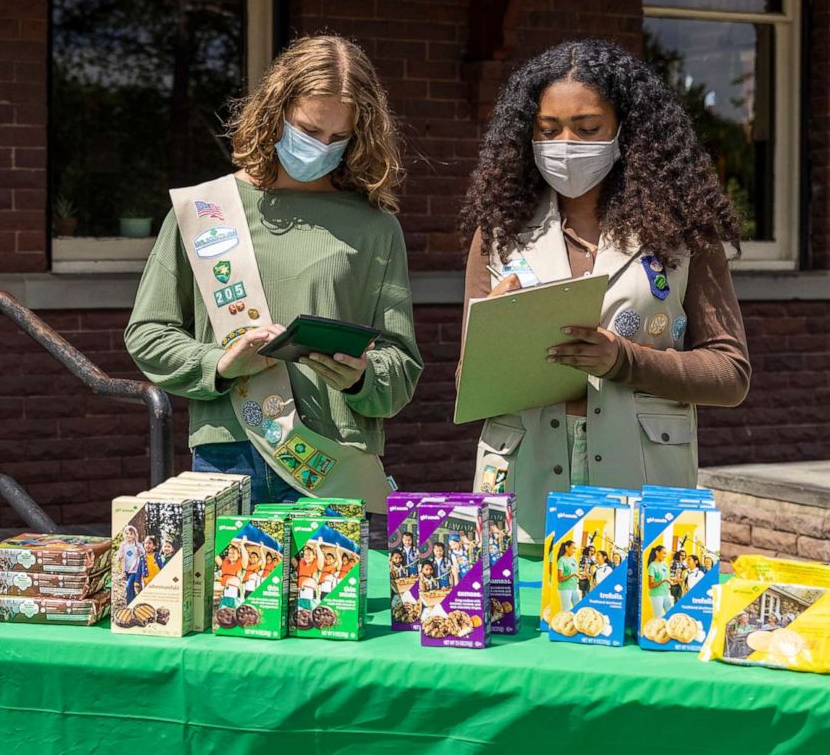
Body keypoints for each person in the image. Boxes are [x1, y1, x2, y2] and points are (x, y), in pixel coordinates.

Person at [460, 40, 751, 550]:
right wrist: (497, 334)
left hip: (644, 497)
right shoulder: (500, 231)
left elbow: (730, 375)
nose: (565, 144)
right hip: (522, 491)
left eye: (588, 128)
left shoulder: (685, 236)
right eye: (547, 131)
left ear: (626, 130)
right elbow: (469, 383)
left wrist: (624, 360)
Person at [125, 35, 423, 511]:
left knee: (336, 591)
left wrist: (363, 376)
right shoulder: (206, 210)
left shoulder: (375, 227)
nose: (321, 147)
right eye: (307, 130)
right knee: (231, 590)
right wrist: (220, 365)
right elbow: (149, 333)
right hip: (228, 453)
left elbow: (402, 365)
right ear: (275, 111)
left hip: (332, 458)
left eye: (337, 137)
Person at [646, 545, 672, 619]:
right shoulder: (652, 566)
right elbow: (650, 585)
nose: (665, 556)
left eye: (666, 554)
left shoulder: (664, 564)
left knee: (670, 614)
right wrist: (663, 580)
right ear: (657, 553)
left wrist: (673, 579)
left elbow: (666, 577)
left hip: (665, 593)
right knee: (658, 617)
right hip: (656, 595)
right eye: (664, 553)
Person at [121, 525, 143, 605]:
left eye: (131, 534)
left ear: (134, 535)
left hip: (135, 570)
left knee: (128, 587)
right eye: (127, 533)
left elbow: (143, 556)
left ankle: (129, 606)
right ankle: (134, 604)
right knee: (131, 588)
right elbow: (120, 557)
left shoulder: (138, 545)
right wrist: (122, 570)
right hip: (127, 570)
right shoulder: (123, 545)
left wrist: (139, 553)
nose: (129, 535)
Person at [556, 540, 581, 611]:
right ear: (567, 548)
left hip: (574, 588)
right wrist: (572, 575)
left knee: (577, 608)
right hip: (565, 588)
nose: (575, 551)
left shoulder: (573, 559)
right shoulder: (562, 560)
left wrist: (581, 575)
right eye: (573, 548)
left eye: (575, 548)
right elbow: (559, 579)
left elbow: (576, 572)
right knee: (566, 610)